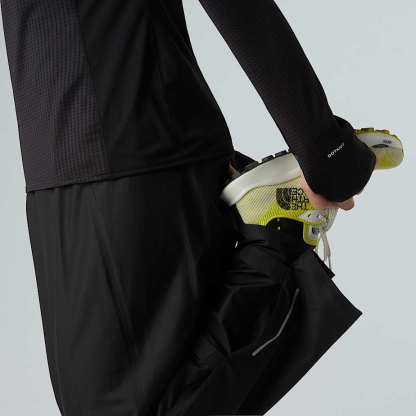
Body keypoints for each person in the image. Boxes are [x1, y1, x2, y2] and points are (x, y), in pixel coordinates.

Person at [0, 0, 376, 414]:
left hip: (131, 154)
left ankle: (273, 237)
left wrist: (323, 147)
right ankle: (271, 234)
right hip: (60, 168)